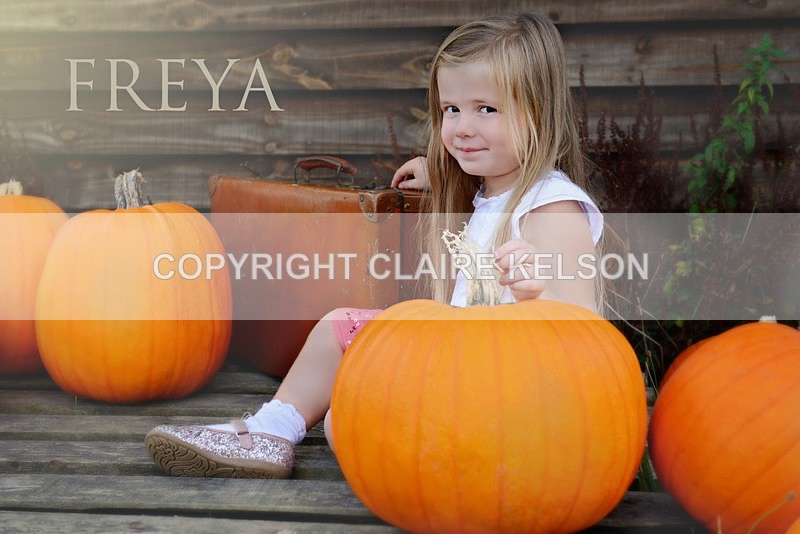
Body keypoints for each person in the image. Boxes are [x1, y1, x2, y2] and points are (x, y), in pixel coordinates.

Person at [145, 11, 603, 479]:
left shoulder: (553, 207)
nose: (463, 127)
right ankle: (271, 430)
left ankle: (422, 457)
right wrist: (440, 171)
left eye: (486, 109)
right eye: (451, 109)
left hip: (506, 393)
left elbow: (583, 335)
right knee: (340, 328)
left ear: (538, 111)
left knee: (351, 420)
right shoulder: (491, 187)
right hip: (457, 362)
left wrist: (535, 291)